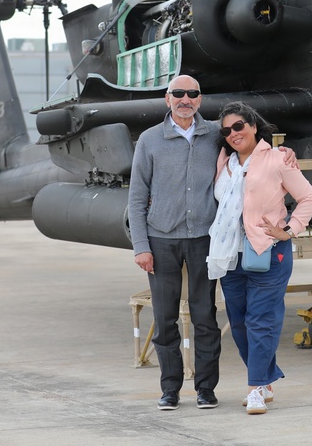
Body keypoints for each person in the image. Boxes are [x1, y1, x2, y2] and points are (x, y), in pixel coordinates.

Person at [207, 101, 312, 415]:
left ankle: (255, 389)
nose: (233, 134)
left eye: (239, 126)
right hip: (230, 255)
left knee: (261, 321)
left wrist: (290, 228)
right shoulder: (224, 162)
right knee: (240, 322)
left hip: (268, 252)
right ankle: (266, 379)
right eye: (226, 130)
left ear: (254, 126)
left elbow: (309, 197)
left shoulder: (278, 159)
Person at [127, 75, 222, 411]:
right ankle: (170, 389)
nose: (186, 99)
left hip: (202, 240)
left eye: (192, 93)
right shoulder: (150, 140)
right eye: (178, 93)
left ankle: (206, 389)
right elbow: (137, 196)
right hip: (161, 241)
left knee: (204, 316)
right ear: (167, 99)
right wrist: (141, 245)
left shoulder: (214, 134)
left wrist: (279, 154)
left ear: (200, 98)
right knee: (165, 317)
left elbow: (249, 143)